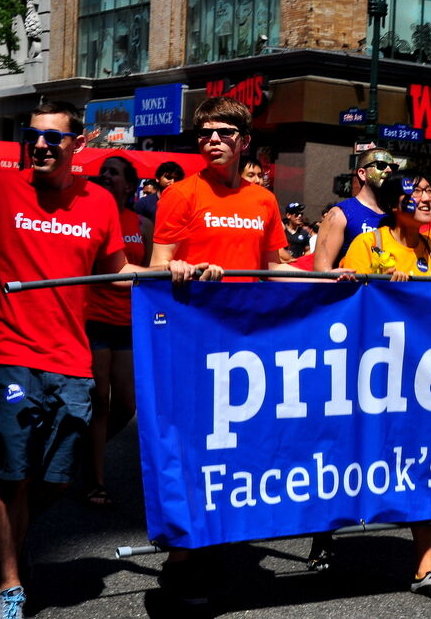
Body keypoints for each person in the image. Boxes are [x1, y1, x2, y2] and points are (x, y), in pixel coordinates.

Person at [0, 101, 200, 619]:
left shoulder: (100, 202)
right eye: (33, 136)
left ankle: (11, 532)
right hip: (10, 355)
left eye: (52, 138)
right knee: (14, 472)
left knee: (58, 478)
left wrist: (178, 270)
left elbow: (119, 269)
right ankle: (10, 582)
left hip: (71, 360)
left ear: (76, 145)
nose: (40, 145)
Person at [150, 96, 302, 607]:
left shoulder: (263, 200)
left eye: (223, 133)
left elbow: (275, 267)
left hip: (249, 346)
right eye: (205, 133)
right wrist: (179, 270)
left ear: (244, 141)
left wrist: (329, 277)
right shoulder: (181, 195)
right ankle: (180, 562)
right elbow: (155, 266)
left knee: (238, 449)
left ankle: (213, 548)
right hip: (194, 341)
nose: (212, 140)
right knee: (194, 448)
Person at [340, 172, 431, 602]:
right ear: (398, 202)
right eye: (420, 193)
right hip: (369, 374)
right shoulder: (369, 244)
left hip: (417, 374)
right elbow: (344, 298)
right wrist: (378, 284)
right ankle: (327, 535)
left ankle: (424, 568)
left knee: (424, 461)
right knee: (356, 456)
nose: (430, 199)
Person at [83, 156, 153, 506]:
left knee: (126, 405)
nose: (106, 176)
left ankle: (81, 449)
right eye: (104, 171)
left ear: (130, 185)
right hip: (93, 318)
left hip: (128, 323)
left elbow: (154, 269)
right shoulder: (90, 217)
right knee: (100, 403)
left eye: (114, 172)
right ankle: (95, 482)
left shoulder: (141, 223)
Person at [313, 148, 396, 271]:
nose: (389, 170)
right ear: (362, 173)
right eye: (381, 165)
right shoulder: (339, 214)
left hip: (388, 289)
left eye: (393, 167)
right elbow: (321, 270)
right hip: (354, 289)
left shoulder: (398, 214)